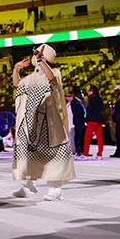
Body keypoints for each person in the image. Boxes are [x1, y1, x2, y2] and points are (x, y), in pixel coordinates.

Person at [11, 44, 75, 202]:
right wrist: (16, 69)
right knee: (29, 153)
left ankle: (55, 189)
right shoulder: (32, 77)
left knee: (53, 154)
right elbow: (17, 84)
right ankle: (28, 185)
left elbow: (51, 78)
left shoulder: (54, 73)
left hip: (50, 123)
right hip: (33, 122)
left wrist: (41, 61)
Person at [83, 85, 104, 159]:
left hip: (92, 120)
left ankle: (85, 154)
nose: (89, 92)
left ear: (93, 91)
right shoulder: (99, 99)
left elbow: (90, 110)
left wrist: (86, 119)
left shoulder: (92, 100)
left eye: (90, 90)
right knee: (99, 137)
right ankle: (99, 154)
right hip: (99, 120)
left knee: (87, 137)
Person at [70, 88, 87, 159]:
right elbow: (75, 112)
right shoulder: (74, 102)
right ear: (77, 94)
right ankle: (78, 151)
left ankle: (83, 151)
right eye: (80, 92)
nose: (82, 94)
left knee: (83, 136)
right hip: (78, 121)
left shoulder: (81, 101)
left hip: (83, 121)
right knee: (78, 136)